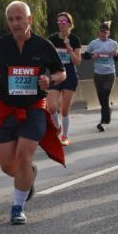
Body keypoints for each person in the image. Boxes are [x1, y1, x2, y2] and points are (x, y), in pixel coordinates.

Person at [0, 1, 66, 224]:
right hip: (7, 109)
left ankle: (17, 207)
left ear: (29, 20)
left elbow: (62, 73)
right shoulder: (2, 45)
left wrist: (49, 79)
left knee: (23, 155)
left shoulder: (43, 45)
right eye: (11, 19)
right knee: (7, 165)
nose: (15, 23)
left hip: (34, 109)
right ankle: (29, 173)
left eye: (19, 18)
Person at [47, 12, 82, 145]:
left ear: (69, 24)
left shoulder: (74, 39)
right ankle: (57, 127)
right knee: (51, 107)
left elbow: (78, 61)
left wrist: (69, 48)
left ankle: (65, 136)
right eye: (59, 22)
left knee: (64, 109)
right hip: (56, 74)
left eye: (64, 22)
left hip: (70, 75)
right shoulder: (52, 39)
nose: (61, 24)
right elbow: (46, 57)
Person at [84, 23, 118, 131]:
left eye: (105, 32)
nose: (103, 34)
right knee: (101, 97)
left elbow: (117, 59)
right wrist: (92, 56)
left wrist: (115, 55)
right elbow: (85, 56)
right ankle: (108, 110)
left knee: (105, 94)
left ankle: (104, 121)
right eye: (102, 31)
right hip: (98, 74)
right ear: (98, 32)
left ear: (109, 33)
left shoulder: (113, 43)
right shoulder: (94, 43)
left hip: (110, 73)